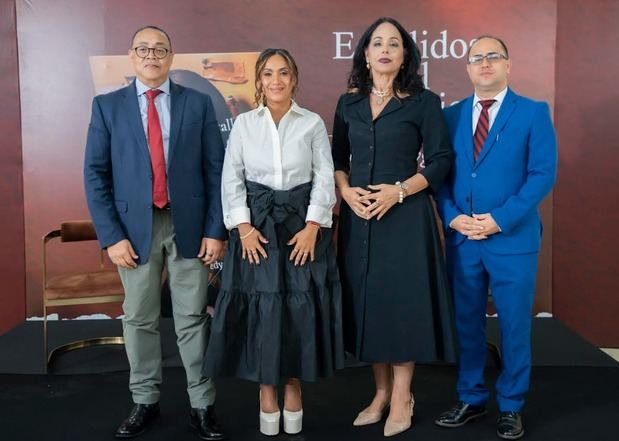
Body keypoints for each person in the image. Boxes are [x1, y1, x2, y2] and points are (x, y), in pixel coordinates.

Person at [84, 25, 226, 441]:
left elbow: (216, 171)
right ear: (132, 56)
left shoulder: (197, 104)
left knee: (193, 318)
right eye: (143, 49)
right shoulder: (107, 107)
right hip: (133, 231)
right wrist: (112, 236)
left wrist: (215, 230)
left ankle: (202, 405)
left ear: (171, 56)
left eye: (159, 49)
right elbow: (95, 174)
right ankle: (145, 400)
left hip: (189, 226)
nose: (151, 55)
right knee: (139, 319)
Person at [202, 48, 344, 436]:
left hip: (302, 228)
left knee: (298, 311)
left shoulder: (311, 122)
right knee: (262, 310)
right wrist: (243, 229)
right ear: (259, 81)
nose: (276, 80)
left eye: (283, 73)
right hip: (256, 229)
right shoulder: (244, 124)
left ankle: (293, 387)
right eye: (268, 73)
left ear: (294, 78)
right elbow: (231, 177)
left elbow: (324, 176)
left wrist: (313, 226)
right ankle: (266, 391)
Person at [332, 17, 457, 438]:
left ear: (405, 56)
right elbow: (337, 160)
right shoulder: (347, 103)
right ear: (365, 55)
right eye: (377, 43)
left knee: (401, 307)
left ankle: (403, 397)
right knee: (369, 306)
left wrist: (399, 191)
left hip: (404, 217)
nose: (385, 49)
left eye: (394, 44)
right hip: (359, 217)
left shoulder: (424, 102)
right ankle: (381, 394)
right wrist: (345, 192)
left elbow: (440, 161)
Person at [434, 35, 557, 440]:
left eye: (493, 56)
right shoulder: (450, 116)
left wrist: (499, 220)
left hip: (512, 240)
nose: (485, 63)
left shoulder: (533, 113)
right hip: (464, 241)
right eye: (477, 58)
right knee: (467, 325)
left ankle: (511, 405)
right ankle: (471, 398)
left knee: (515, 326)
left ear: (508, 65)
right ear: (467, 68)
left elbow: (542, 175)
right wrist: (453, 218)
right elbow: (441, 176)